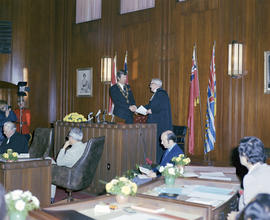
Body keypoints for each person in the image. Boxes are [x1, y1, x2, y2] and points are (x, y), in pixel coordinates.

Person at [227, 136, 270, 220]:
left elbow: (251, 213)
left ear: (245, 156)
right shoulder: (267, 168)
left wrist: (235, 217)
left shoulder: (250, 178)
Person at [51, 127, 87, 202]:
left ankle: (51, 197)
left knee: (49, 163)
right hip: (81, 175)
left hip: (70, 176)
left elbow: (59, 163)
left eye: (69, 137)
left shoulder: (71, 152)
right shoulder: (86, 146)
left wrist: (64, 147)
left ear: (71, 138)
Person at [145, 78, 172, 163]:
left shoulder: (161, 94)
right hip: (156, 123)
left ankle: (159, 161)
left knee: (159, 143)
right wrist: (138, 108)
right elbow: (150, 106)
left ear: (156, 85)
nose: (150, 86)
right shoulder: (157, 94)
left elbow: (161, 107)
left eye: (151, 84)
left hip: (160, 123)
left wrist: (151, 111)